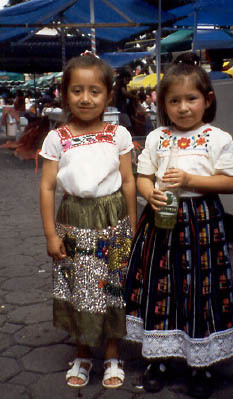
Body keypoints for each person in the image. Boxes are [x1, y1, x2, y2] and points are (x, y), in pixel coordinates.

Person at [124, 60, 233, 398]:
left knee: (201, 288)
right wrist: (150, 194)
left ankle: (200, 364)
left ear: (207, 99)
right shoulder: (158, 137)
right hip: (161, 221)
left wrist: (190, 180)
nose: (183, 107)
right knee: (162, 286)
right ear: (162, 105)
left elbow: (230, 182)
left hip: (202, 224)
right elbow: (143, 177)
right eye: (173, 101)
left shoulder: (217, 138)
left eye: (191, 98)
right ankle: (159, 359)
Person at [39, 53, 137, 390]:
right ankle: (82, 353)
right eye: (77, 90)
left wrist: (133, 225)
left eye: (94, 91)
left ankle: (112, 353)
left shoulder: (118, 135)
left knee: (113, 287)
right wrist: (51, 234)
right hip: (73, 221)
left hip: (114, 220)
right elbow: (48, 186)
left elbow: (127, 181)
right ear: (65, 94)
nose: (85, 98)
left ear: (109, 94)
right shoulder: (58, 137)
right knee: (81, 289)